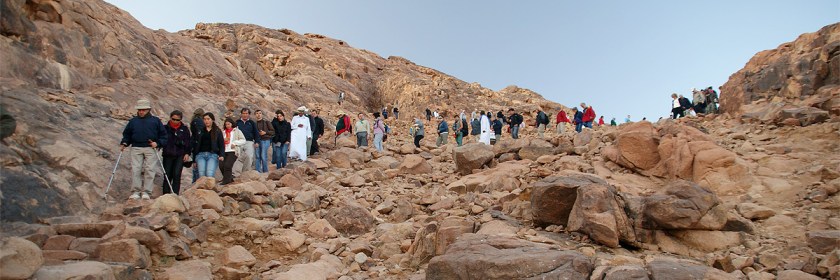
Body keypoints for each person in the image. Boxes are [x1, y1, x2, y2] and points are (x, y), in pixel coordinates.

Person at [120, 99, 168, 200]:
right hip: (136, 147)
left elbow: (164, 135)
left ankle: (147, 192)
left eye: (144, 110)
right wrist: (125, 142)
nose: (141, 112)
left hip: (151, 148)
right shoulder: (133, 121)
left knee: (150, 170)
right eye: (140, 110)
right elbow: (127, 134)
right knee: (136, 170)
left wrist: (158, 143)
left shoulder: (155, 121)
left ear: (148, 110)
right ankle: (136, 192)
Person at [161, 110, 191, 195]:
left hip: (180, 154)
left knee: (177, 174)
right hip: (168, 154)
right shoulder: (165, 128)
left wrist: (187, 153)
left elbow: (188, 142)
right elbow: (161, 139)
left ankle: (175, 194)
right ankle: (166, 194)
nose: (175, 121)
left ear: (180, 120)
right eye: (173, 119)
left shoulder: (184, 129)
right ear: (170, 118)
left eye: (177, 120)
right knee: (167, 175)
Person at [192, 112, 224, 180]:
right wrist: (194, 160)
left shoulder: (217, 131)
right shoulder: (200, 130)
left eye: (208, 119)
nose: (206, 121)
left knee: (210, 173)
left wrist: (221, 155)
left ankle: (209, 189)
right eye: (205, 119)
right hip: (200, 155)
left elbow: (221, 144)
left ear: (212, 120)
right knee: (201, 174)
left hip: (212, 155)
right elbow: (196, 144)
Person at [220, 118, 246, 185]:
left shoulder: (236, 131)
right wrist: (223, 140)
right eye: (226, 124)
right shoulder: (223, 132)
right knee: (221, 165)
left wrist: (235, 143)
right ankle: (229, 178)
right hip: (224, 151)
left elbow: (243, 140)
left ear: (232, 124)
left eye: (228, 124)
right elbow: (219, 142)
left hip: (233, 151)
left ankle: (226, 181)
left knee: (228, 165)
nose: (227, 125)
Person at [235, 108, 258, 175]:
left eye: (246, 113)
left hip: (249, 141)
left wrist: (257, 142)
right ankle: (236, 173)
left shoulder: (251, 123)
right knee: (237, 156)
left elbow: (256, 133)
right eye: (243, 113)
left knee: (249, 156)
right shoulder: (237, 122)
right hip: (239, 141)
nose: (245, 115)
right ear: (241, 114)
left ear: (249, 114)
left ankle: (245, 173)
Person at [189, 108, 205, 183]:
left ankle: (194, 183)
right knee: (198, 168)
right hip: (198, 145)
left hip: (193, 144)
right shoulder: (199, 121)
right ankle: (196, 184)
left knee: (195, 168)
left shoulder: (193, 121)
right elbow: (199, 134)